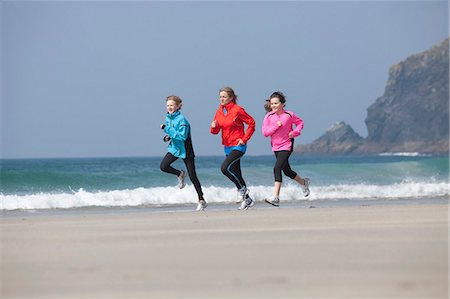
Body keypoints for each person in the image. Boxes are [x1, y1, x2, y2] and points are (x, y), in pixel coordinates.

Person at [210, 87, 256, 210]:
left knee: (224, 168)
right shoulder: (219, 111)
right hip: (227, 146)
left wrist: (244, 139)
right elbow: (215, 131)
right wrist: (213, 127)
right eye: (220, 96)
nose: (221, 99)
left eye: (224, 96)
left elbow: (251, 123)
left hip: (238, 145)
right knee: (236, 172)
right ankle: (247, 200)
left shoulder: (238, 110)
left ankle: (241, 189)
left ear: (231, 97)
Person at [262, 91, 310, 207]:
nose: (273, 106)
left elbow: (300, 123)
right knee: (287, 171)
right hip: (275, 146)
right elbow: (265, 133)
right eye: (272, 103)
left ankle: (276, 198)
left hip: (287, 145)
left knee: (277, 168)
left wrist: (295, 132)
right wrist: (276, 125)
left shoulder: (289, 115)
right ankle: (304, 182)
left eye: (276, 103)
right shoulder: (268, 116)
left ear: (282, 104)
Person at [160, 95, 207, 211]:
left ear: (178, 106)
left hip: (186, 150)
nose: (169, 107)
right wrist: (167, 137)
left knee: (192, 176)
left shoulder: (182, 120)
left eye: (172, 105)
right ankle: (179, 174)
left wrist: (167, 129)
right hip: (175, 149)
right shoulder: (168, 118)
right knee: (163, 166)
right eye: (168, 105)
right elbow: (173, 134)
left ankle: (201, 200)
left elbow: (182, 136)